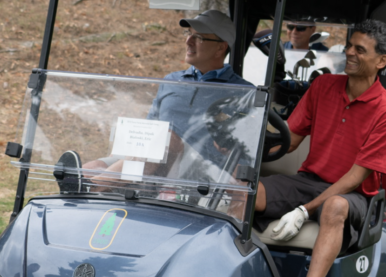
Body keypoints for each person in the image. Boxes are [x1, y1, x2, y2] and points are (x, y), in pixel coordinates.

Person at [255, 19, 386, 277]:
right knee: (245, 192)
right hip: (308, 181)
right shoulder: (324, 87)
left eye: (359, 49)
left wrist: (302, 211)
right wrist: (239, 150)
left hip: (353, 196)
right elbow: (290, 140)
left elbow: (356, 178)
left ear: (382, 61)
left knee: (335, 207)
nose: (349, 53)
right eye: (349, 45)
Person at [57, 10, 252, 188]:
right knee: (93, 166)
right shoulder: (171, 80)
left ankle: (89, 186)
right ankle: (83, 191)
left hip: (202, 172)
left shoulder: (243, 93)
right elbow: (151, 128)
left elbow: (246, 152)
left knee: (168, 139)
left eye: (198, 37)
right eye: (188, 34)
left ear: (220, 48)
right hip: (154, 161)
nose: (188, 41)